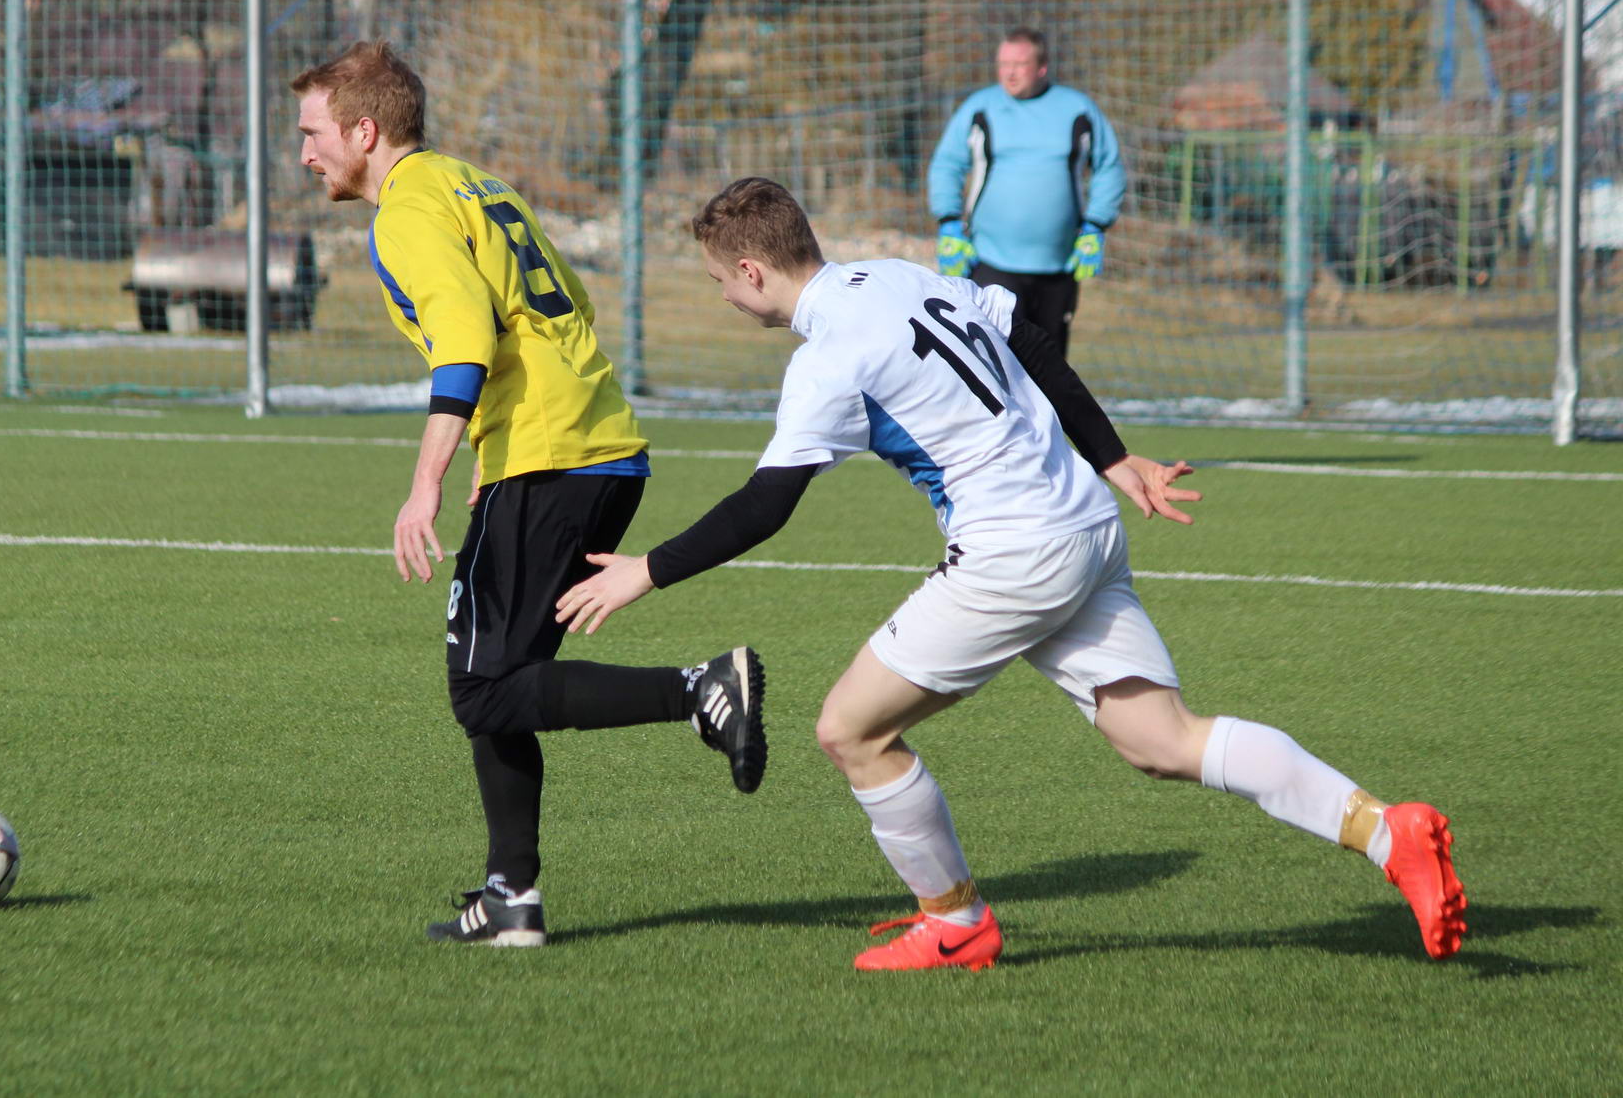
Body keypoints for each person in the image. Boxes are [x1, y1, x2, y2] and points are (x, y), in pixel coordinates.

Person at [555, 176, 1466, 972]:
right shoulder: (899, 275)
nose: (722, 296)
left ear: (752, 271)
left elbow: (767, 504)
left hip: (1014, 553)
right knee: (1162, 739)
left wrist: (646, 571)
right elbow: (1029, 337)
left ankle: (954, 922)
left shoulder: (826, 359)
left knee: (850, 730)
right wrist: (1114, 458)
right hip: (1084, 524)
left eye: (719, 280)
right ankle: (1387, 830)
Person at [291, 41, 766, 948]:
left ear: (365, 130)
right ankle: (511, 894)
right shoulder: (474, 183)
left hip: (552, 457)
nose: (306, 153)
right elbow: (564, 306)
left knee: (481, 689)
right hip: (588, 445)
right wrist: (490, 444)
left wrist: (423, 483)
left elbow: (466, 339)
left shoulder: (407, 210)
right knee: (497, 674)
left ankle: (701, 689)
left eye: (314, 133)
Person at [927, 26, 1123, 355]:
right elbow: (947, 164)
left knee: (1047, 367)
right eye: (1003, 64)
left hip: (1058, 266)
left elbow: (1110, 167)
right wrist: (948, 223)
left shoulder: (1078, 110)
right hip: (991, 260)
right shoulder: (980, 108)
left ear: (1042, 67)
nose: (1010, 73)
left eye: (1019, 64)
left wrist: (1096, 225)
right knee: (993, 362)